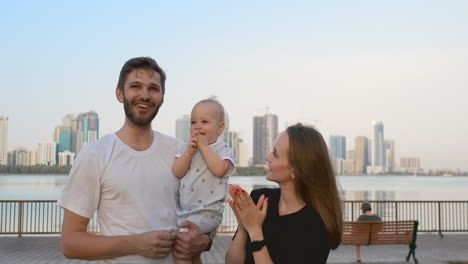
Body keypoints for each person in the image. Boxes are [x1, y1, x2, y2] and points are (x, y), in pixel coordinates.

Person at [57, 57, 211, 264]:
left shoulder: (181, 152)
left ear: (162, 98)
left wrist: (205, 240)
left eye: (153, 88)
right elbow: (70, 243)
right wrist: (135, 244)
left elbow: (202, 215)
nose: (145, 95)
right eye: (135, 86)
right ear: (120, 94)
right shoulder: (95, 155)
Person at [225, 123, 343, 264]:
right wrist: (243, 227)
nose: (267, 158)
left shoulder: (315, 225)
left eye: (275, 154)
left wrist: (255, 231)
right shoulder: (260, 199)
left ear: (296, 170)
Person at [172, 98, 236, 263]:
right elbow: (177, 172)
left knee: (180, 251)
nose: (198, 126)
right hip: (186, 212)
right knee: (193, 254)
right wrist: (188, 153)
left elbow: (220, 169)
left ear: (220, 128)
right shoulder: (186, 148)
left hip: (208, 212)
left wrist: (204, 147)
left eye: (205, 122)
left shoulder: (222, 149)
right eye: (193, 122)